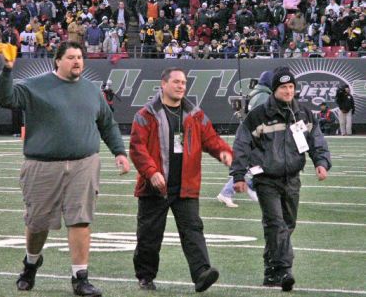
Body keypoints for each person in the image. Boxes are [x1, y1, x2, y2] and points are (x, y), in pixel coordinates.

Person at [0, 41, 130, 296]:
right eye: (71, 57)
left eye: (80, 57)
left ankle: (80, 277)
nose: (77, 61)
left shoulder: (91, 90)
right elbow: (5, 99)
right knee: (37, 223)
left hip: (84, 163)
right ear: (57, 60)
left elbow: (107, 124)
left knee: (80, 219)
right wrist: (7, 71)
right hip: (43, 165)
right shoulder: (36, 86)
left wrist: (120, 153)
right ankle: (31, 263)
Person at [129, 67, 233, 292]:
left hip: (185, 186)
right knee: (149, 235)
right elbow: (137, 148)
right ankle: (145, 276)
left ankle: (201, 273)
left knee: (193, 230)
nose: (181, 86)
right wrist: (152, 172)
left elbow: (211, 139)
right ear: (163, 85)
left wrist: (224, 152)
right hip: (154, 187)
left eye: (183, 83)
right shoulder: (146, 114)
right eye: (176, 82)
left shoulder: (195, 114)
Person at [231, 67, 331, 292]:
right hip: (265, 178)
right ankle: (285, 269)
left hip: (292, 178)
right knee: (276, 224)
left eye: (291, 87)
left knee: (286, 225)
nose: (288, 91)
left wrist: (321, 163)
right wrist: (238, 175)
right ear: (274, 89)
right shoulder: (257, 115)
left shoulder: (303, 113)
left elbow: (316, 140)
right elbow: (241, 144)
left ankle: (271, 271)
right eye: (284, 87)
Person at [216, 70, 275, 208]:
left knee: (254, 167)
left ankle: (230, 192)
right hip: (255, 137)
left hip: (251, 135)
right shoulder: (263, 97)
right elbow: (260, 120)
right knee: (256, 166)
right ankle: (232, 191)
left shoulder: (258, 94)